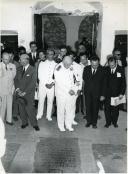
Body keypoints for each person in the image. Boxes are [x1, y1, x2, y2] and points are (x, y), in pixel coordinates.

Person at [14, 53, 40, 131]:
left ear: (26, 60)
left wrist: (25, 92)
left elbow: (32, 83)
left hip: (28, 94)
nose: (19, 60)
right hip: (19, 92)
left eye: (21, 59)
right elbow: (15, 80)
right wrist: (18, 90)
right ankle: (24, 122)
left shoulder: (33, 70)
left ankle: (34, 124)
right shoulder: (18, 69)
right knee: (21, 109)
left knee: (30, 109)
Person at [54, 55, 80, 132]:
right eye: (68, 64)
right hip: (61, 93)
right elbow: (59, 82)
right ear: (63, 62)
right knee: (61, 110)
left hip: (71, 93)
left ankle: (68, 125)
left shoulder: (71, 66)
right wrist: (69, 90)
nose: (69, 66)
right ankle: (61, 126)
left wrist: (75, 89)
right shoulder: (58, 68)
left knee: (70, 109)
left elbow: (75, 79)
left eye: (70, 64)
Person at [83, 55, 106, 128]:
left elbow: (104, 84)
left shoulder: (102, 70)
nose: (94, 66)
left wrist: (103, 94)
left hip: (97, 93)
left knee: (95, 108)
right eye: (93, 65)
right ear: (90, 62)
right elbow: (84, 78)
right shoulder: (86, 68)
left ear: (98, 62)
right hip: (88, 92)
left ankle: (94, 123)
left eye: (96, 65)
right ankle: (88, 121)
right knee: (88, 107)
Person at [104, 56, 126, 128]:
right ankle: (108, 122)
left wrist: (122, 93)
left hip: (117, 94)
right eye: (110, 65)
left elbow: (123, 83)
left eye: (113, 65)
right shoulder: (106, 69)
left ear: (116, 63)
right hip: (107, 94)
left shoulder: (120, 69)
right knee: (107, 109)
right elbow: (103, 82)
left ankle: (114, 122)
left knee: (115, 110)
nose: (111, 67)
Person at [36, 49, 57, 121]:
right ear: (46, 55)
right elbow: (40, 75)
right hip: (42, 85)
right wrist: (45, 84)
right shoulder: (42, 63)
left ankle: (48, 115)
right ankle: (39, 114)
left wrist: (52, 84)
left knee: (50, 101)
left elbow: (57, 76)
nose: (50, 56)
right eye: (48, 54)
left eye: (51, 54)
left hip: (52, 86)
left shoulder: (56, 65)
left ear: (54, 55)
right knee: (41, 100)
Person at [0, 51, 16, 125]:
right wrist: (4, 71)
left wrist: (7, 70)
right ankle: (1, 121)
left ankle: (9, 120)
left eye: (8, 59)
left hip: (10, 89)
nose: (7, 60)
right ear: (2, 59)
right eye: (5, 59)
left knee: (9, 105)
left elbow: (13, 76)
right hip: (1, 90)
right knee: (2, 106)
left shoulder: (12, 66)